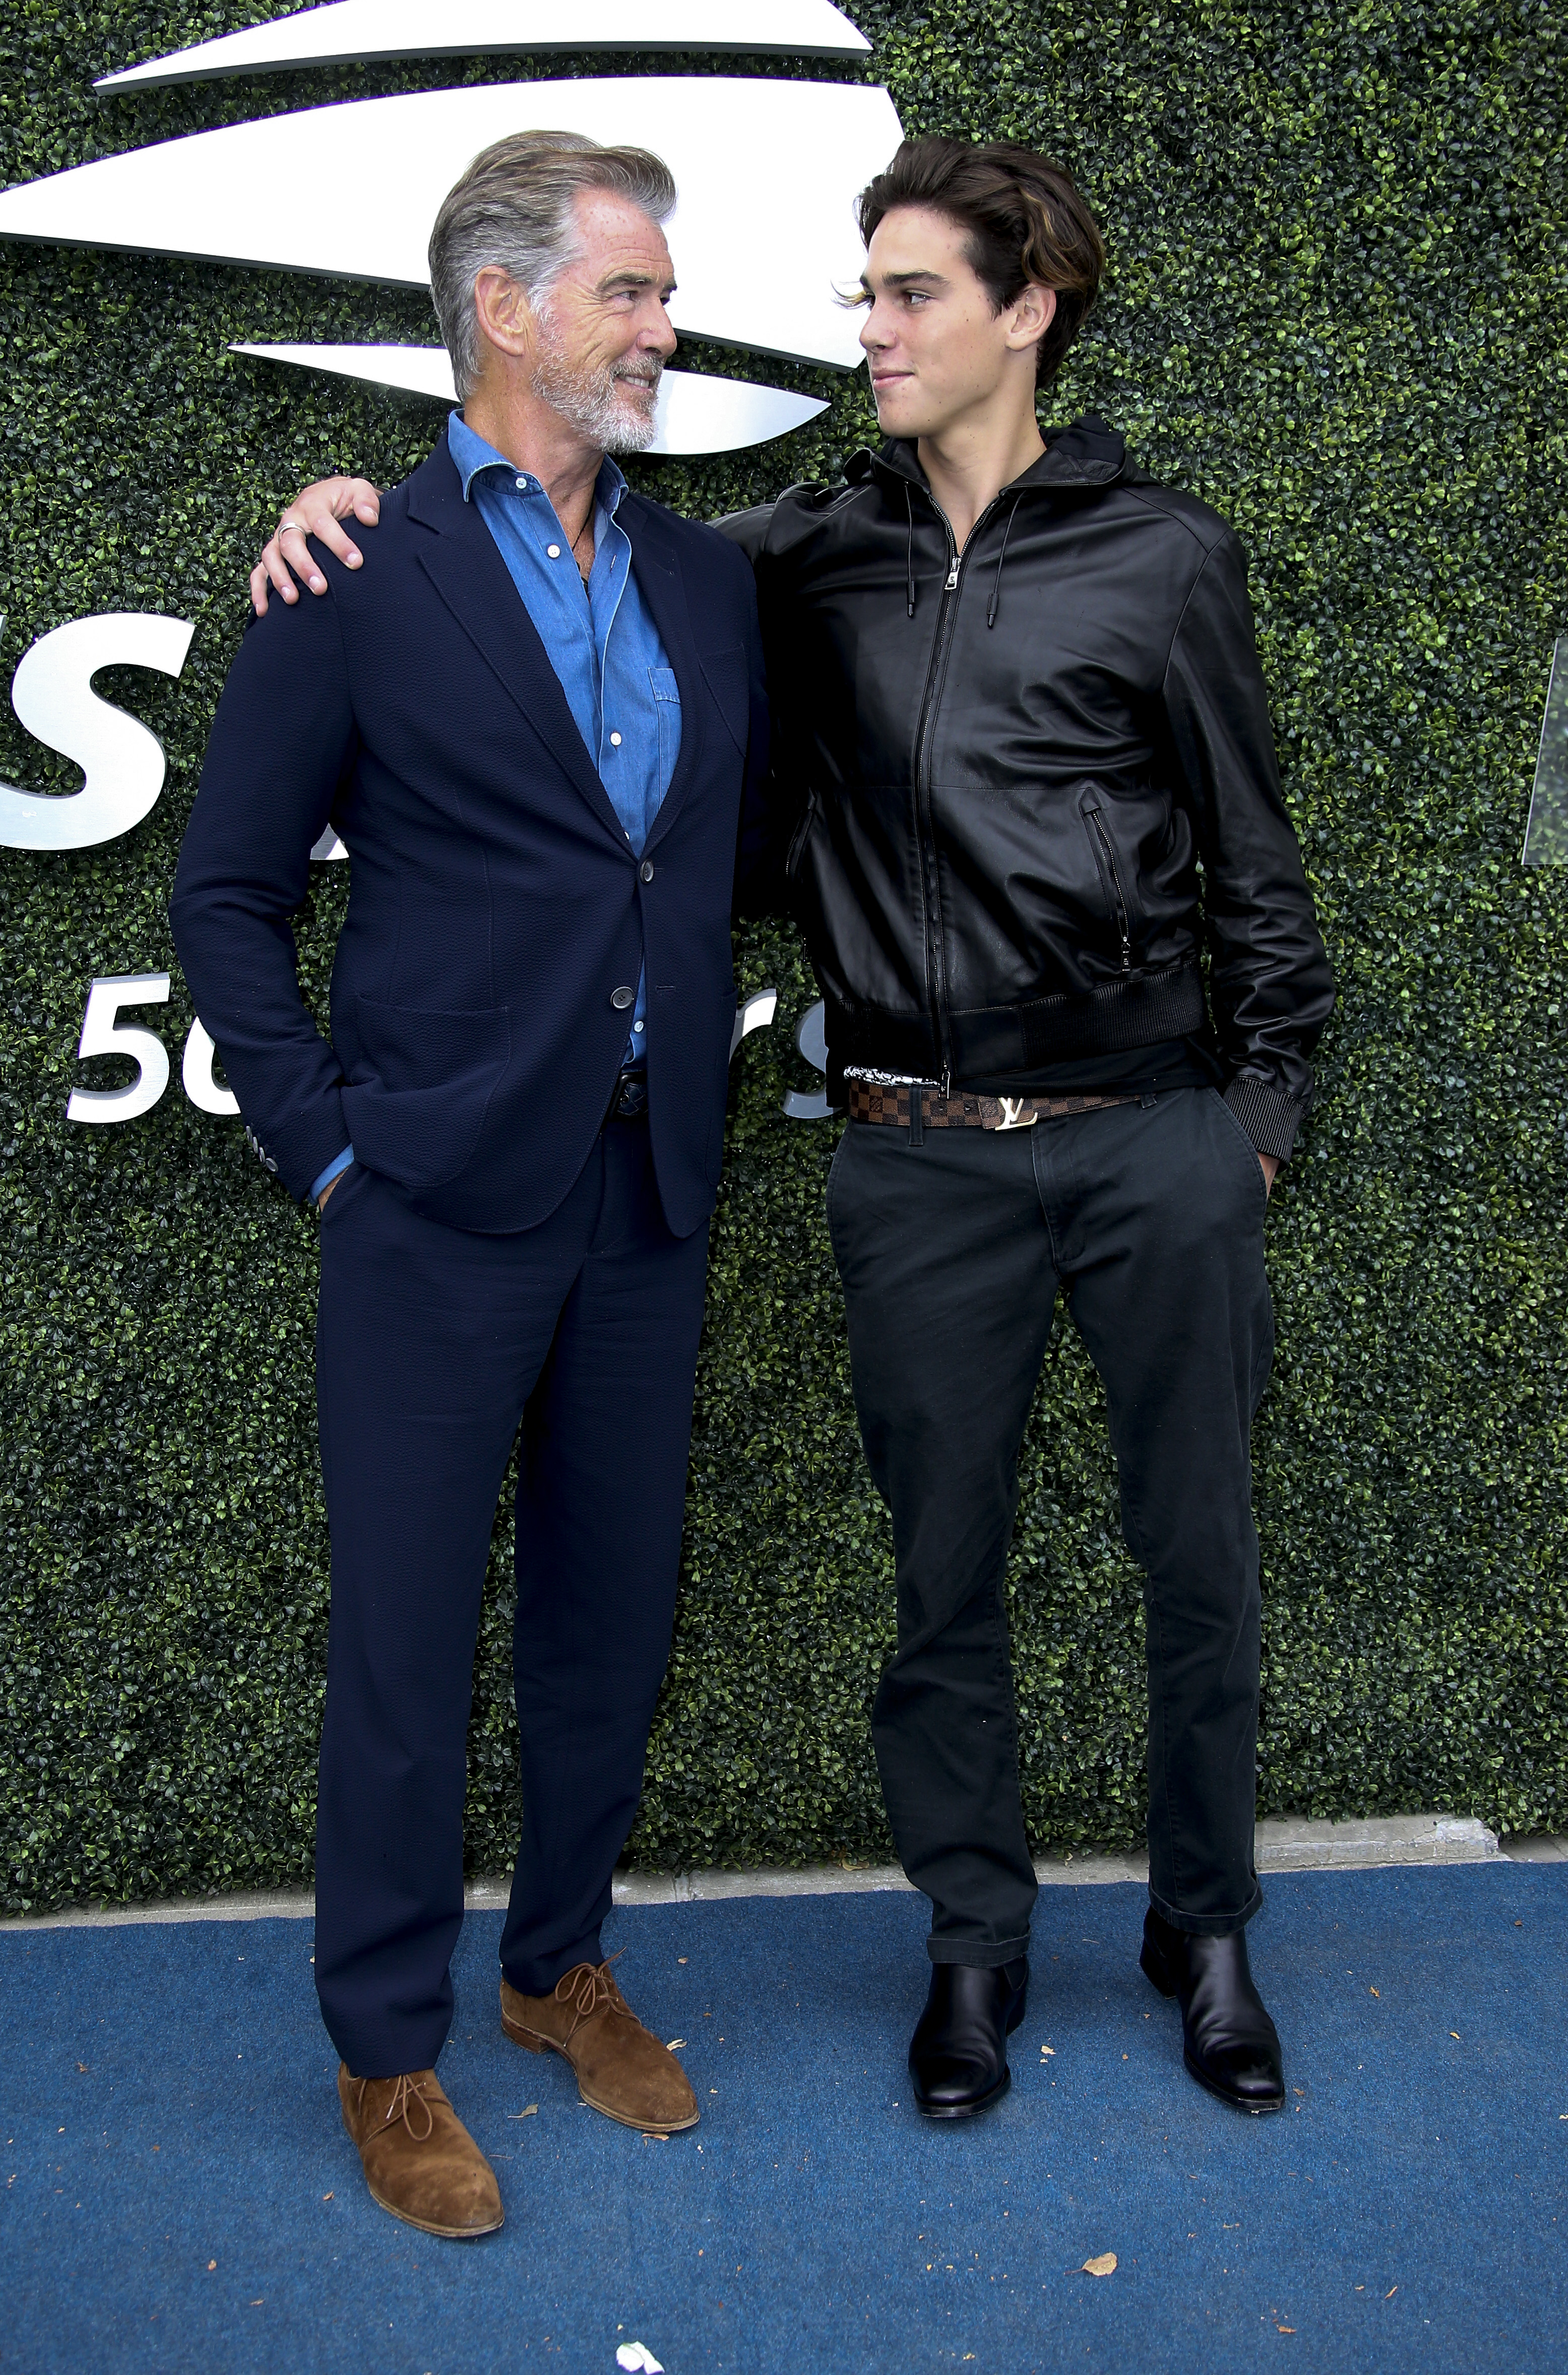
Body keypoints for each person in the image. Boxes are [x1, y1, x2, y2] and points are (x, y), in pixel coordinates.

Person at [252, 138, 1334, 2125]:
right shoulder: (566, 560)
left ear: (1023, 311)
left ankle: (1166, 1931)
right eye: (634, 293)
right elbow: (293, 825)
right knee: (525, 1640)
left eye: (911, 291)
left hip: (912, 1158)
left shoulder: (976, 558)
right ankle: (457, 2039)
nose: (859, 327)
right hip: (667, 1175)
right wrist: (337, 507)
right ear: (503, 304)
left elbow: (1228, 850)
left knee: (1135, 1570)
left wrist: (1251, 1108)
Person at [173, 129, 767, 2237]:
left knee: (611, 1623)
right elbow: (226, 893)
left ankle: (556, 1971)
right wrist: (327, 1149)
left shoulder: (704, 575)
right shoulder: (358, 571)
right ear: (504, 306)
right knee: (411, 1647)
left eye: (663, 289)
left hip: (644, 1191)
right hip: (426, 1199)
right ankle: (386, 2047)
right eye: (630, 288)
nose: (663, 323)